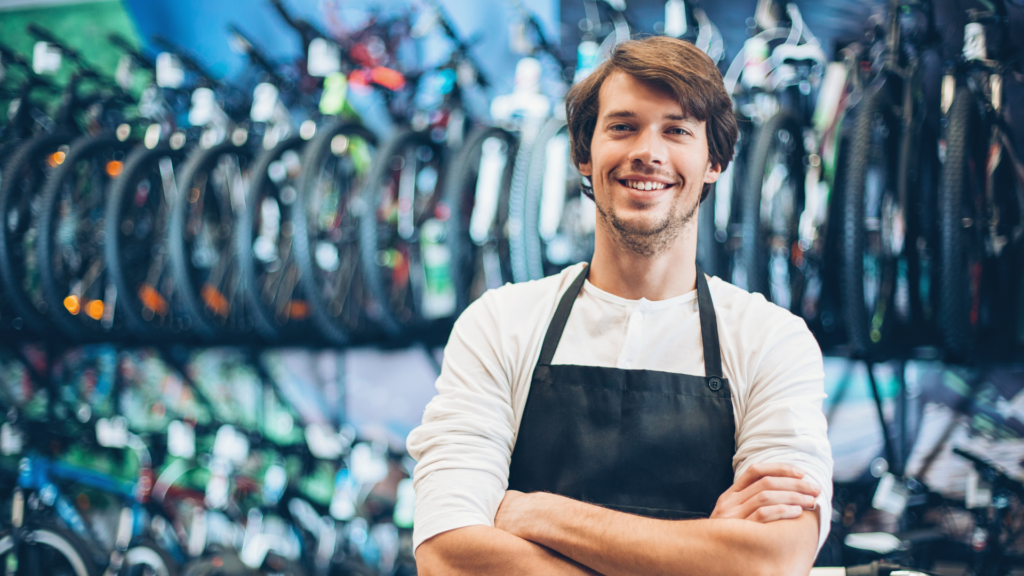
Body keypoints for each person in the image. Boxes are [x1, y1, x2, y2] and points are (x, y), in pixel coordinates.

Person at [409, 35, 833, 576]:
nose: (647, 152)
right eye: (623, 126)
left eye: (676, 130)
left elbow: (772, 559)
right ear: (584, 154)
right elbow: (448, 556)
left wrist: (536, 513)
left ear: (715, 162)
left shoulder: (772, 341)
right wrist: (705, 551)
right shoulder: (499, 325)